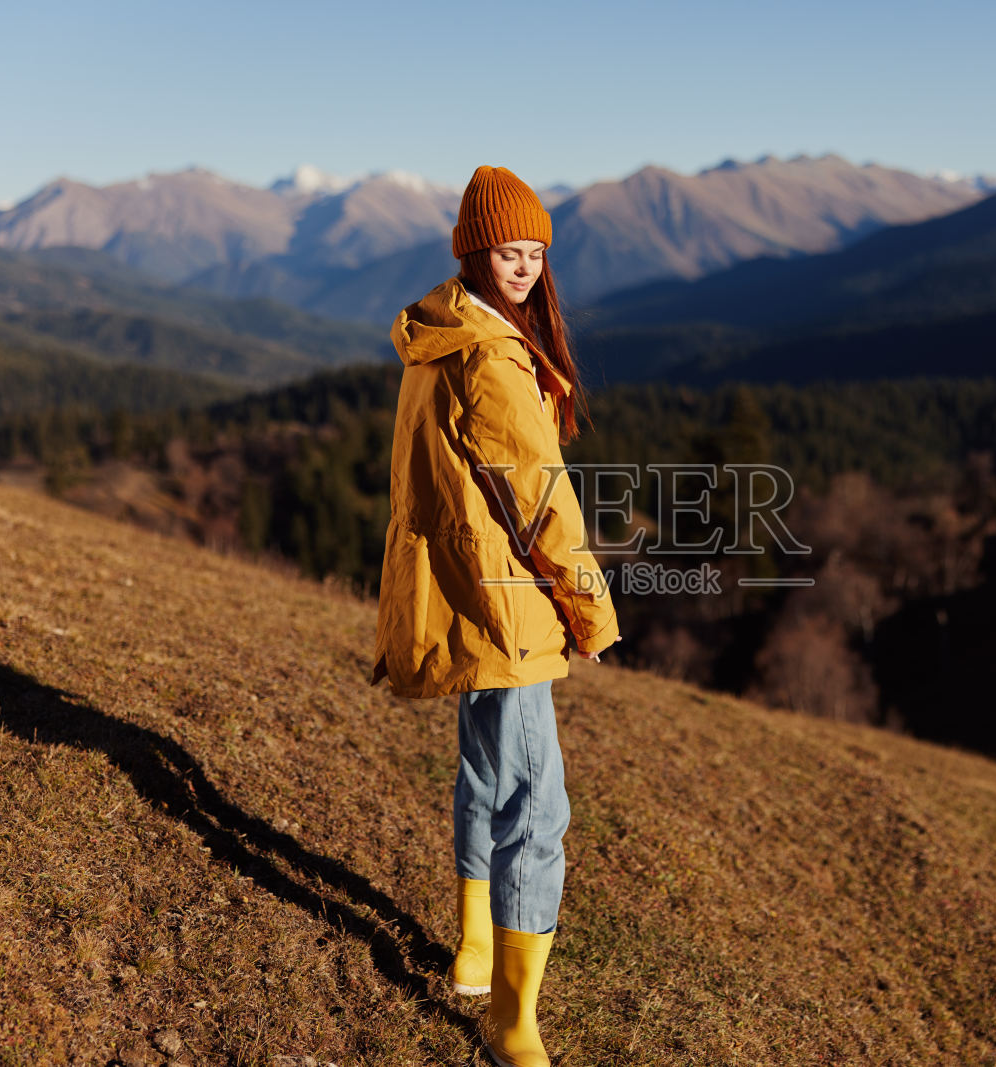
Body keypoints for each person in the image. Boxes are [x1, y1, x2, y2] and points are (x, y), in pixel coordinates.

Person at [371, 164, 620, 1067]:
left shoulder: (438, 331)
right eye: (507, 251)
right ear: (472, 251)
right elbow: (542, 502)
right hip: (506, 599)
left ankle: (477, 945)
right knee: (535, 806)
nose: (522, 266)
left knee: (485, 773)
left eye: (534, 252)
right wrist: (587, 610)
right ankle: (512, 1020)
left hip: (462, 589)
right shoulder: (489, 354)